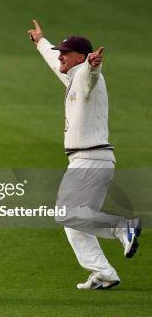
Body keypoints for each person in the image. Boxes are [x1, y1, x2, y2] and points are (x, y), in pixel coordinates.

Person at [28, 19, 141, 290]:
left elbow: (91, 75)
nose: (60, 56)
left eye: (65, 53)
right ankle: (104, 273)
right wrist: (41, 41)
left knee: (67, 214)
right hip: (91, 159)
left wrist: (94, 65)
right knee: (74, 222)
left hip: (90, 159)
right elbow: (55, 63)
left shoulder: (86, 76)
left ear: (80, 57)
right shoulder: (71, 75)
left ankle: (121, 228)